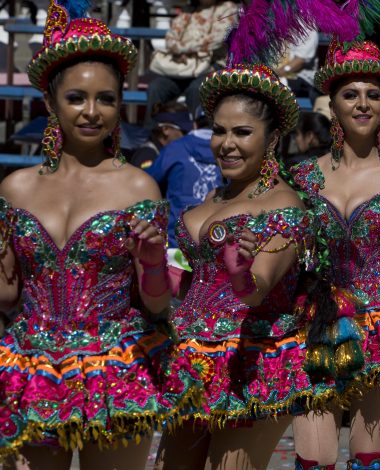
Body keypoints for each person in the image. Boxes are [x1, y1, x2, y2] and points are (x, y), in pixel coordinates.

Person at [0, 1, 194, 467]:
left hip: (116, 368)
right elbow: (8, 295)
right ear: (50, 102)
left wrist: (151, 262)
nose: (92, 112)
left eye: (106, 99)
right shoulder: (16, 188)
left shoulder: (137, 186)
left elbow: (156, 303)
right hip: (34, 368)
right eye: (76, 98)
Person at [155, 59, 338, 469]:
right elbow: (188, 286)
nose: (226, 144)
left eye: (242, 132)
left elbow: (257, 288)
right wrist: (153, 268)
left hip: (253, 360)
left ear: (272, 139)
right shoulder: (212, 201)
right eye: (219, 130)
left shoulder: (284, 206)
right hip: (190, 356)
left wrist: (239, 271)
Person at [291, 38, 380, 469]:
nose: (364, 103)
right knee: (315, 459)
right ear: (332, 106)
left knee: (370, 458)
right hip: (317, 321)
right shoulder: (301, 178)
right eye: (351, 94)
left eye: (374, 94)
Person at [145, 0, 238, 127]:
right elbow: (170, 39)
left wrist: (183, 48)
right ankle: (152, 133)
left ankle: (200, 133)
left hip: (212, 64)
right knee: (156, 88)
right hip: (183, 66)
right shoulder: (188, 10)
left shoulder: (228, 9)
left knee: (197, 89)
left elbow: (218, 39)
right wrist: (184, 50)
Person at [147, 109, 220, 247]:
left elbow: (148, 181)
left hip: (178, 239)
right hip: (217, 237)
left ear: (194, 125)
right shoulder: (229, 149)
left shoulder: (176, 148)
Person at [131, 101, 193, 169]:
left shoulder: (170, 152)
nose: (188, 136)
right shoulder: (148, 155)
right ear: (165, 129)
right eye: (184, 132)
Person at [275, 26, 319, 101]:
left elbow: (299, 62)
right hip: (277, 73)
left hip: (299, 76)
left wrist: (273, 74)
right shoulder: (274, 27)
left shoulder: (308, 29)